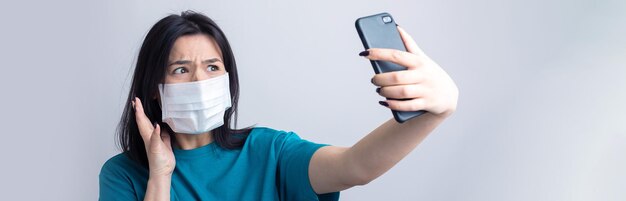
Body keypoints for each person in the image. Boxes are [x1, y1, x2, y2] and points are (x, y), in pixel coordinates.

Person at [99, 10, 458, 201]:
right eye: (181, 69)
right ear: (155, 90)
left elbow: (356, 166)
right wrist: (160, 175)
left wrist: (435, 111)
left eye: (212, 67)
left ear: (228, 79)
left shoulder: (269, 151)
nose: (200, 81)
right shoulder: (123, 174)